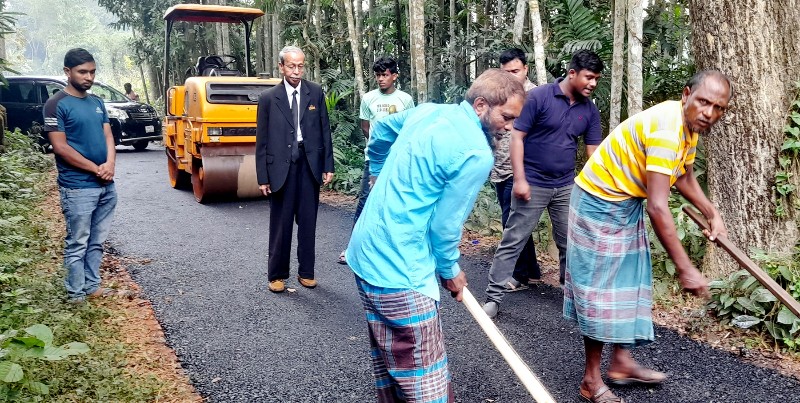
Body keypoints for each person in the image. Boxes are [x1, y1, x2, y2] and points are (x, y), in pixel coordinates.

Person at [345, 69, 525, 403]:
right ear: (481, 105)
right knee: (426, 382)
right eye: (507, 116)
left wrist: (378, 172)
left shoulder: (429, 110)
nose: (511, 126)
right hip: (400, 272)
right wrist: (451, 271)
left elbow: (381, 130)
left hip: (364, 255)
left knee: (391, 366)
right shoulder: (476, 153)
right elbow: (444, 228)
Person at [564, 70, 732, 403]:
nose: (709, 113)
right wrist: (685, 268)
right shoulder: (668, 129)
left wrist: (712, 211)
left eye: (718, 108)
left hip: (625, 202)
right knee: (601, 292)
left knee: (630, 279)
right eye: (703, 102)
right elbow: (658, 206)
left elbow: (681, 175)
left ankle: (622, 363)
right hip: (599, 201)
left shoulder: (689, 127)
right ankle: (590, 380)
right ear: (687, 95)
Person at [483, 49, 604, 318]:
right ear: (572, 73)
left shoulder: (589, 110)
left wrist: (597, 189)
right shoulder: (539, 97)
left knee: (570, 241)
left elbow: (593, 154)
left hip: (565, 186)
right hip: (533, 182)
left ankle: (571, 294)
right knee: (513, 239)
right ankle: (493, 297)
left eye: (596, 78)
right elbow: (517, 137)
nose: (593, 83)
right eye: (589, 77)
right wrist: (521, 179)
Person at [255, 45, 334, 293]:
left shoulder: (316, 93)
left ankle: (306, 272)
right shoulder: (269, 98)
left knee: (308, 222)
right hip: (280, 168)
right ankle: (277, 274)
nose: (297, 71)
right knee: (281, 223)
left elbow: (324, 131)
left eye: (300, 66)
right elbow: (262, 140)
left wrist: (327, 165)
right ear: (281, 67)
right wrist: (262, 176)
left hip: (309, 166)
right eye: (291, 66)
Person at [43, 48, 117, 305]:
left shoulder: (97, 103)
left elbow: (108, 136)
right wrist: (97, 169)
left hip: (107, 185)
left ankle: (92, 285)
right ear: (67, 72)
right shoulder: (56, 104)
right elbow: (60, 147)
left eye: (92, 72)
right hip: (78, 188)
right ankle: (75, 294)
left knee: (97, 240)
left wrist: (109, 164)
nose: (89, 77)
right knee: (78, 241)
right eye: (82, 72)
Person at [337, 57, 415, 265]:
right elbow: (365, 126)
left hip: (397, 160)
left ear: (394, 76)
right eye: (378, 75)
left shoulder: (405, 100)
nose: (381, 79)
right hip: (373, 160)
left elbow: (409, 127)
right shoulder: (369, 98)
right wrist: (377, 146)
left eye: (385, 75)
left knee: (395, 204)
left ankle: (391, 251)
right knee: (365, 201)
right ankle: (353, 249)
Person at [492, 48, 540, 290]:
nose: (511, 77)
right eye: (506, 72)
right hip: (498, 168)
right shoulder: (500, 95)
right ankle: (531, 270)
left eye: (515, 71)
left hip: (520, 170)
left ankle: (519, 275)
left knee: (512, 223)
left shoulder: (535, 96)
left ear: (526, 69)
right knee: (516, 221)